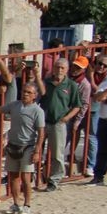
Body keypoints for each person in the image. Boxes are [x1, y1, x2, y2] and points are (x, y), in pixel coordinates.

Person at [0, 83, 45, 214]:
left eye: (29, 92)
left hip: (28, 146)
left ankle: (27, 204)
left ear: (35, 95)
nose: (25, 94)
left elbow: (41, 133)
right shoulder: (14, 105)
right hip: (13, 145)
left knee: (26, 177)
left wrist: (37, 151)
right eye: (24, 91)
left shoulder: (37, 111)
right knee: (13, 177)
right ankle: (16, 203)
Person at [36, 57, 82, 192]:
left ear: (67, 70)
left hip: (58, 122)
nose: (59, 70)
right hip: (43, 121)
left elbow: (77, 105)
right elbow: (42, 94)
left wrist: (66, 118)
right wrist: (37, 75)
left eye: (62, 68)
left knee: (57, 154)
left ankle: (54, 180)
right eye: (57, 67)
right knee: (36, 149)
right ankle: (36, 177)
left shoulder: (71, 85)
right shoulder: (47, 82)